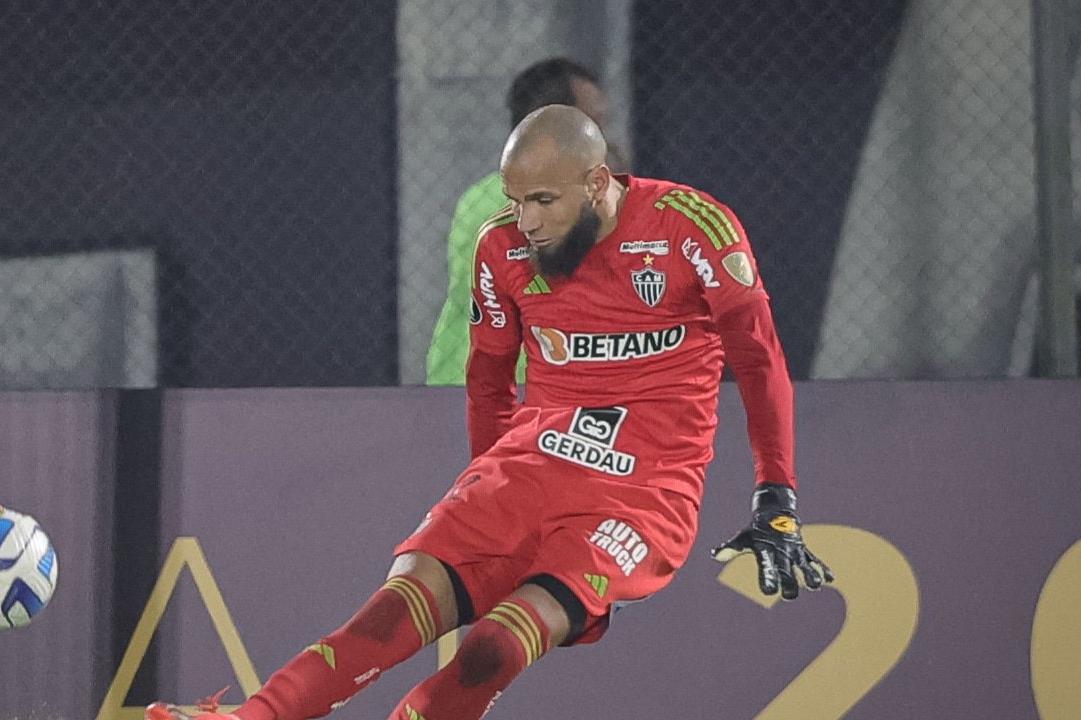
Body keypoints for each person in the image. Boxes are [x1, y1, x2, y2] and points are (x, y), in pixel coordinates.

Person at [147, 105, 833, 720]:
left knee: (492, 649)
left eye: (543, 200)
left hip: (640, 495)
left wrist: (776, 497)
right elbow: (488, 381)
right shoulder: (500, 248)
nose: (526, 220)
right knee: (390, 612)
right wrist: (486, 487)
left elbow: (760, 362)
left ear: (597, 183)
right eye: (515, 199)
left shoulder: (692, 229)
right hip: (531, 465)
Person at [425, 57, 627, 386]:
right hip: (514, 384)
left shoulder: (480, 194)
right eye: (594, 127)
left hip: (477, 377)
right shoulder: (512, 201)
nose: (605, 141)